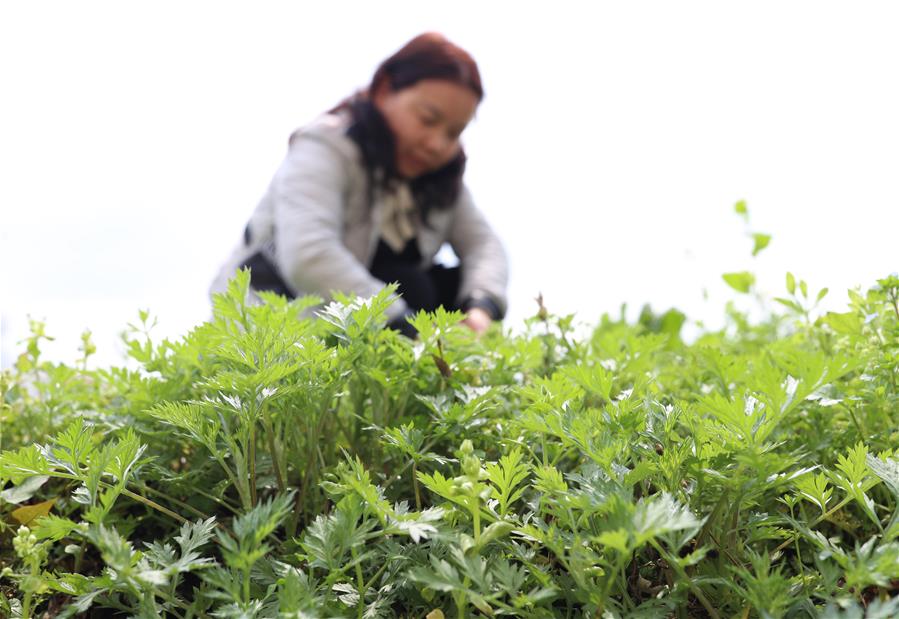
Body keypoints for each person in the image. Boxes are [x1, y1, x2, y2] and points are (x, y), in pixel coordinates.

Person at [210, 32, 508, 336]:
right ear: (382, 91)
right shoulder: (325, 146)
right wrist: (401, 322)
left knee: (434, 286)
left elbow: (484, 245)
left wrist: (480, 308)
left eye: (453, 133)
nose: (436, 144)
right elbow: (309, 254)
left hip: (363, 328)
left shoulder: (439, 177)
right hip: (275, 327)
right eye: (428, 119)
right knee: (413, 291)